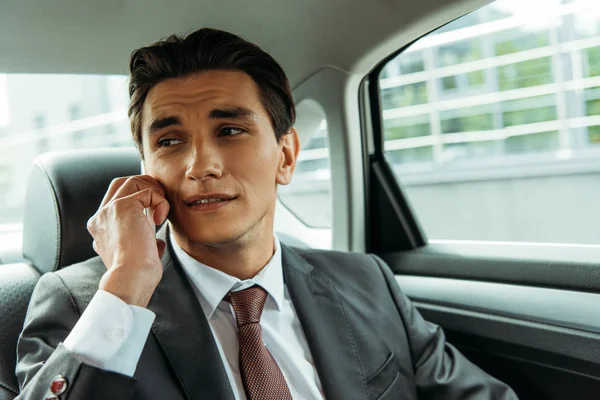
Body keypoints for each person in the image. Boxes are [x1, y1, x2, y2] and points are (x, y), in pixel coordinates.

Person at [15, 28, 518, 400]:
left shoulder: (367, 282)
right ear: (145, 171)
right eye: (169, 141)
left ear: (286, 156)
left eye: (230, 131)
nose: (200, 166)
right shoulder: (85, 304)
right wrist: (127, 283)